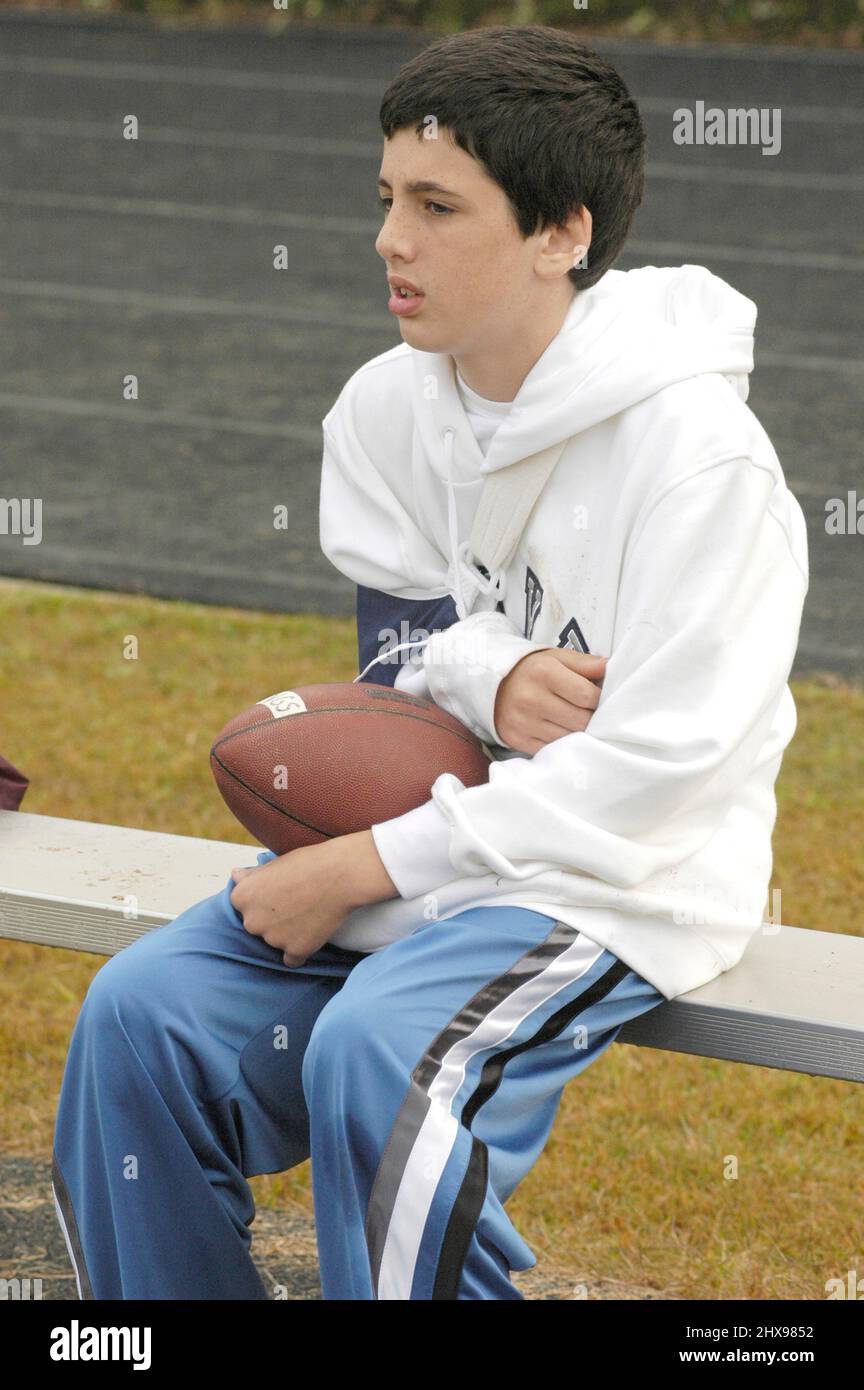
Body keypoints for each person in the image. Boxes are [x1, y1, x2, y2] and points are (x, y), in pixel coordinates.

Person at [51, 24, 808, 1301]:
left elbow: (655, 777)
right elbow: (398, 665)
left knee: (378, 1055)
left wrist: (359, 864)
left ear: (561, 233)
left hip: (617, 879)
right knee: (139, 1013)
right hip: (430, 841)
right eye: (387, 199)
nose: (390, 240)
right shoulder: (386, 406)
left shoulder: (703, 463)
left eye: (438, 206)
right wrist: (491, 673)